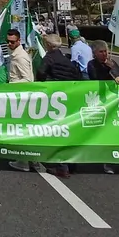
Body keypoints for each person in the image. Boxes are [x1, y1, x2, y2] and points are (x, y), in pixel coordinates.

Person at [11, 34, 79, 177]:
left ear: (47, 45)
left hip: (53, 99)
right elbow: (77, 76)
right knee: (67, 131)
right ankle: (69, 163)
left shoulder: (49, 58)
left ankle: (59, 165)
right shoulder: (67, 60)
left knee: (50, 130)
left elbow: (41, 74)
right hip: (69, 98)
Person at [86, 40, 119, 176]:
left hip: (118, 103)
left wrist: (116, 73)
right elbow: (95, 78)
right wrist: (107, 69)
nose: (104, 54)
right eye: (101, 52)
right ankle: (108, 161)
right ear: (95, 53)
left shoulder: (112, 63)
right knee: (107, 133)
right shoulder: (91, 64)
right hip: (103, 103)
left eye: (106, 51)